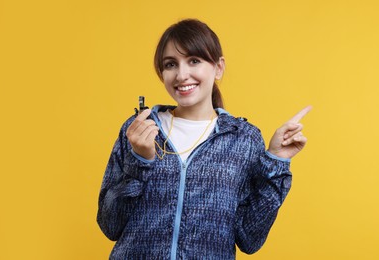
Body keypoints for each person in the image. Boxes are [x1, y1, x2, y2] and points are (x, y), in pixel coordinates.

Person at [97, 18, 311, 259]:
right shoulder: (139, 129)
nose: (181, 74)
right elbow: (110, 225)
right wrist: (140, 162)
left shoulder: (244, 139)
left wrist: (276, 161)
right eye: (170, 64)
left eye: (194, 61)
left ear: (218, 67)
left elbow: (250, 238)